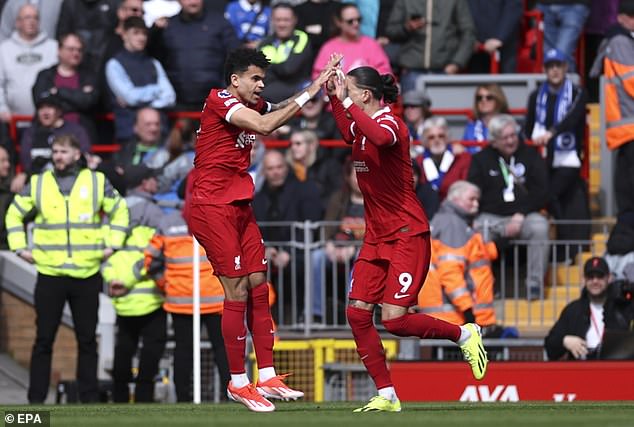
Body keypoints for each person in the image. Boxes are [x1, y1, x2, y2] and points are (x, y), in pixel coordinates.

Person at [186, 47, 340, 412]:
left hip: (238, 203)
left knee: (258, 282)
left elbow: (278, 109)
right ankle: (238, 381)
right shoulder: (220, 100)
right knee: (236, 288)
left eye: (263, 80)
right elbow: (267, 126)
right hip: (212, 207)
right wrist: (313, 87)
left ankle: (266, 374)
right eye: (255, 79)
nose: (261, 85)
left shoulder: (250, 104)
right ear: (235, 79)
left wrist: (314, 86)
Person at [327, 64, 487, 412]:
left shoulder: (390, 124)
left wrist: (347, 103)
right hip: (376, 237)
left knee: (395, 320)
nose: (347, 95)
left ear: (365, 95)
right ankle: (387, 394)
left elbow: (381, 138)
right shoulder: (361, 125)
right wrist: (332, 96)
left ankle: (464, 334)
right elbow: (347, 132)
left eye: (350, 90)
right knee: (356, 314)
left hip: (406, 234)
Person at [5, 134, 129, 403]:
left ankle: (89, 400)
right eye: (55, 152)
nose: (58, 156)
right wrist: (19, 248)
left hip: (86, 273)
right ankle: (36, 401)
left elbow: (120, 210)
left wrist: (113, 245)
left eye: (63, 151)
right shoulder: (38, 183)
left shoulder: (96, 181)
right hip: (50, 273)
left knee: (87, 340)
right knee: (43, 340)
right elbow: (13, 213)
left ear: (76, 154)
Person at [145, 177, 229, 402]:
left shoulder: (167, 222)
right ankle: (230, 394)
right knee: (222, 348)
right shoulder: (218, 217)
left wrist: (166, 285)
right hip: (215, 297)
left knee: (184, 350)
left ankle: (183, 398)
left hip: (182, 298)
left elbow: (150, 260)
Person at [467, 114, 550, 300]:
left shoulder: (530, 155)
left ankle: (534, 286)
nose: (511, 140)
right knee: (478, 233)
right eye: (505, 137)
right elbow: (474, 190)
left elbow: (542, 190)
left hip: (524, 215)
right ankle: (485, 287)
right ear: (494, 141)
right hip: (491, 216)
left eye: (514, 135)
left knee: (540, 227)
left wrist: (520, 215)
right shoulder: (481, 159)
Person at [101, 164, 166, 403]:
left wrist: (116, 281)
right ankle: (143, 398)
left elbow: (107, 254)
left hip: (122, 298)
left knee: (124, 350)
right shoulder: (153, 214)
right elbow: (156, 255)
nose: (156, 184)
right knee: (151, 349)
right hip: (149, 296)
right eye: (153, 179)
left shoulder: (115, 214)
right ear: (144, 183)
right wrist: (131, 279)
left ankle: (119, 399)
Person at [524, 48, 590, 261]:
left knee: (551, 195)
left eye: (558, 66)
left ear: (565, 68)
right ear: (545, 70)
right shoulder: (536, 95)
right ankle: (561, 249)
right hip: (543, 157)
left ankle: (565, 248)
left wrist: (551, 134)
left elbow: (572, 118)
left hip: (568, 157)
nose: (554, 71)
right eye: (550, 66)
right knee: (552, 198)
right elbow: (529, 125)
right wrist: (534, 139)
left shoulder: (578, 92)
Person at [418, 180, 497, 328]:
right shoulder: (452, 224)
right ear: (455, 199)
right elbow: (450, 272)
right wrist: (467, 309)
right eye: (471, 199)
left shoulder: (453, 222)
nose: (476, 204)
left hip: (447, 315)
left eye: (477, 200)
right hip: (454, 317)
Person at [148, 0, 240, 111]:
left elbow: (235, 57)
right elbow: (151, 57)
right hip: (175, 101)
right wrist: (154, 32)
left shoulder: (220, 24)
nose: (192, 1)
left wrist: (224, 90)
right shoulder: (167, 26)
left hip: (213, 101)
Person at [544, 256, 633, 360]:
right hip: (581, 371)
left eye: (600, 276)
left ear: (609, 278)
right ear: (584, 280)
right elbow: (550, 345)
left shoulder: (623, 307)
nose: (595, 281)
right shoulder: (573, 310)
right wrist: (564, 341)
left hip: (616, 369)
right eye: (590, 277)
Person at [105, 16, 175, 142]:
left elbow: (170, 98)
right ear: (124, 35)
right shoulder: (114, 64)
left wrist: (140, 101)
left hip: (159, 133)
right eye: (136, 33)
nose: (141, 38)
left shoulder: (154, 63)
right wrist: (157, 92)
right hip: (129, 134)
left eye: (144, 33)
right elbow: (131, 97)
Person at [385, 0, 476, 92]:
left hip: (445, 71)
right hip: (412, 71)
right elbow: (391, 31)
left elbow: (468, 34)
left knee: (442, 106)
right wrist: (407, 27)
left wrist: (456, 64)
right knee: (412, 105)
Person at [600, 0, 634, 230]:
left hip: (628, 129)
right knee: (629, 196)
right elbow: (632, 82)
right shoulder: (621, 41)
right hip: (629, 128)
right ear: (623, 17)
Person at [32, 32, 100, 144]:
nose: (76, 53)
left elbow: (89, 102)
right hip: (48, 135)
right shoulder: (45, 75)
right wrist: (78, 98)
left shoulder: (89, 76)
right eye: (71, 49)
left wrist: (58, 92)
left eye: (79, 50)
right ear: (59, 50)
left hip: (81, 137)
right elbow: (40, 101)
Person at [0, 4, 57, 120]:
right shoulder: (4, 50)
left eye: (35, 18)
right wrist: (2, 108)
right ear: (17, 22)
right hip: (13, 121)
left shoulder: (54, 48)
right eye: (27, 17)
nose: (31, 21)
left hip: (48, 120)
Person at [311, 3, 392, 80]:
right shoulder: (328, 47)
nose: (356, 24)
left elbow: (385, 73)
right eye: (350, 21)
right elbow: (318, 77)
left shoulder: (371, 44)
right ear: (338, 22)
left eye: (358, 20)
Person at [258, 2, 313, 103]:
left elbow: (289, 69)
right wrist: (278, 68)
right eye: (278, 20)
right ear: (272, 21)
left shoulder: (300, 37)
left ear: (294, 20)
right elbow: (260, 71)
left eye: (286, 20)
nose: (282, 24)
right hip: (269, 91)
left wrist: (271, 67)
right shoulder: (265, 42)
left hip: (295, 92)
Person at [413, 116, 471, 203]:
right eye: (431, 137)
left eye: (441, 136)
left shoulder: (462, 158)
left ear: (447, 138)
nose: (437, 140)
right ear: (425, 141)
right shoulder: (418, 162)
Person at [536, 0, 590, 72]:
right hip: (545, 6)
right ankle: (567, 81)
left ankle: (569, 82)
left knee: (561, 57)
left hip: (574, 5)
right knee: (549, 58)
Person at [462, 84, 510, 153]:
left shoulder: (508, 125)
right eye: (479, 98)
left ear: (498, 100)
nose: (483, 100)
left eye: (489, 97)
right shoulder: (471, 127)